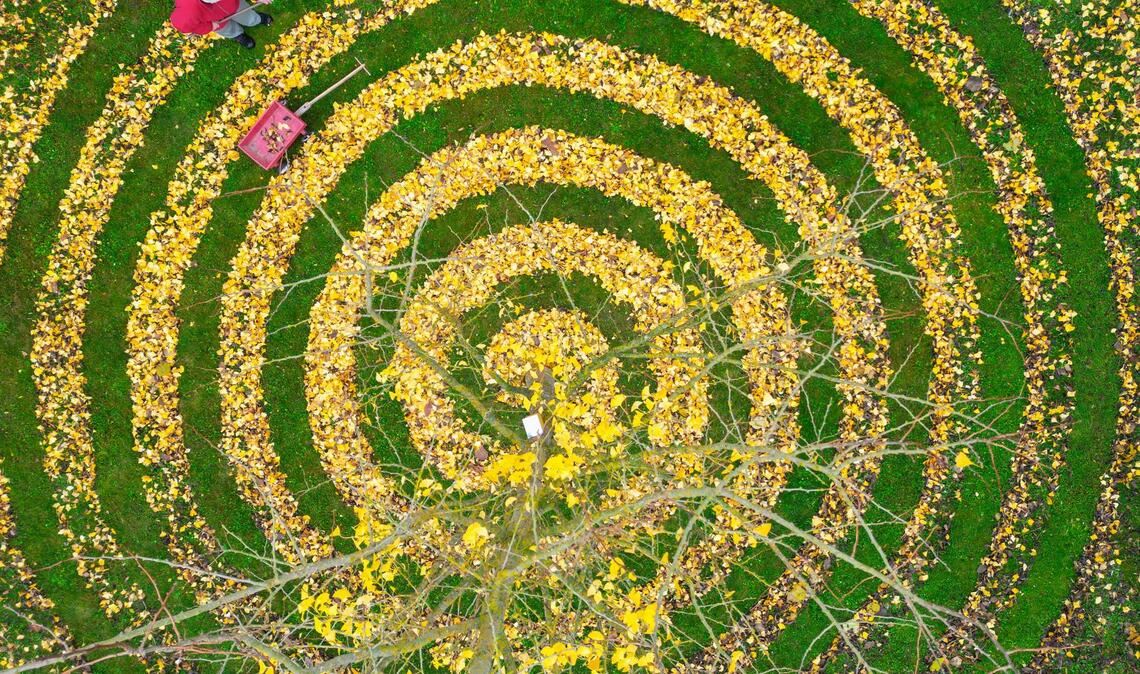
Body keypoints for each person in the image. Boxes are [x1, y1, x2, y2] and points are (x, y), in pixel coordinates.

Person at [170, 0, 273, 49]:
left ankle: (256, 19)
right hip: (214, 21)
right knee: (227, 29)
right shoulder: (188, 9)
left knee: (248, 18)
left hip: (234, 5)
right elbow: (186, 25)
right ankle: (237, 34)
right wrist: (210, 26)